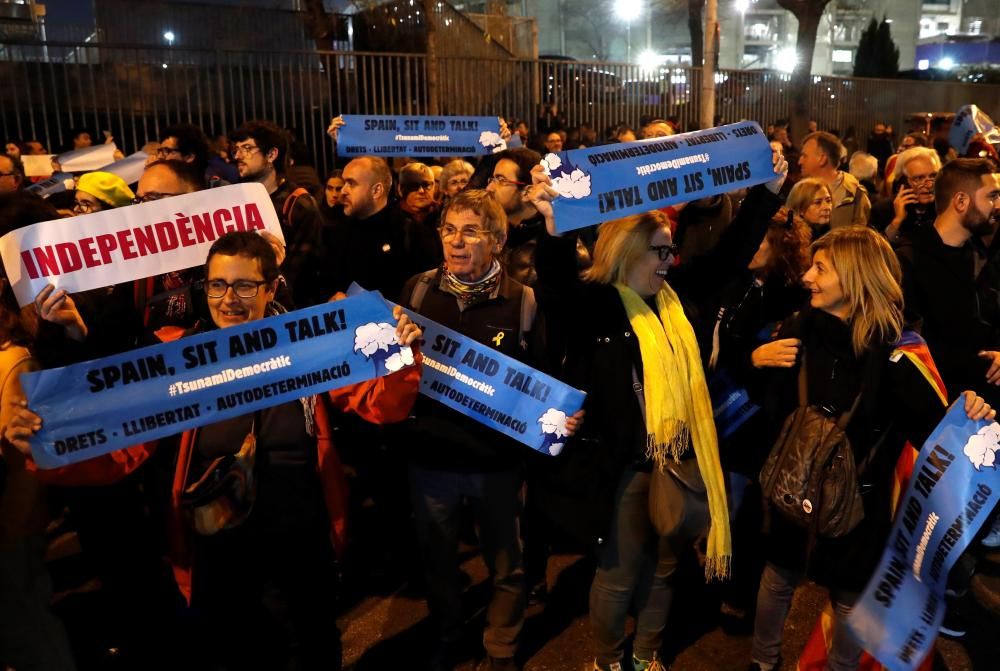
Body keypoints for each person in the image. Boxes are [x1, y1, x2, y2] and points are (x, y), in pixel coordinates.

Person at [6, 231, 423, 671]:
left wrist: (400, 351)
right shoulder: (175, 359)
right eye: (218, 285)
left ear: (271, 288)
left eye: (245, 286)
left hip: (299, 542)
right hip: (216, 549)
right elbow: (121, 448)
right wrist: (43, 442)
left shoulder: (312, 346)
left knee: (311, 646)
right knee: (231, 650)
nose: (229, 299)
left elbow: (380, 405)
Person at [747, 226, 996, 671]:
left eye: (821, 268)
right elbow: (764, 408)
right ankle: (762, 663)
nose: (808, 277)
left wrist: (972, 412)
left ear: (857, 277)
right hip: (790, 490)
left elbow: (938, 436)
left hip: (858, 514)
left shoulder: (898, 356)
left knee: (847, 601)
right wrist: (754, 360)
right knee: (778, 577)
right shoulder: (799, 329)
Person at [399, 189, 578, 671]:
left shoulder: (524, 304)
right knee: (438, 563)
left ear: (497, 241)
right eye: (449, 230)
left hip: (496, 465)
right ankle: (449, 634)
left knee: (506, 566)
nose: (456, 242)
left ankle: (501, 646)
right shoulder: (416, 291)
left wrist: (561, 413)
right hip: (430, 460)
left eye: (471, 231)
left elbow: (545, 377)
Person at [0, 192, 78, 671]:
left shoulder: (15, 363)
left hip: (11, 527)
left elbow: (22, 467)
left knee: (25, 615)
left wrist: (13, 531)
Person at [231, 120, 326, 308]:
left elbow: (303, 273)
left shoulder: (298, 204)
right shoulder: (233, 201)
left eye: (247, 148)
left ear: (272, 154)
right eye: (237, 149)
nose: (239, 156)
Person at [798, 131, 871, 230]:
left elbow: (859, 241)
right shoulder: (799, 190)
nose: (800, 161)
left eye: (804, 156)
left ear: (822, 159)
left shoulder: (855, 195)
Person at [873, 146, 941, 244]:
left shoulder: (944, 209)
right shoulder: (882, 210)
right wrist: (897, 221)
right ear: (903, 182)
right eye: (918, 178)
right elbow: (872, 252)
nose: (929, 185)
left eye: (933, 176)